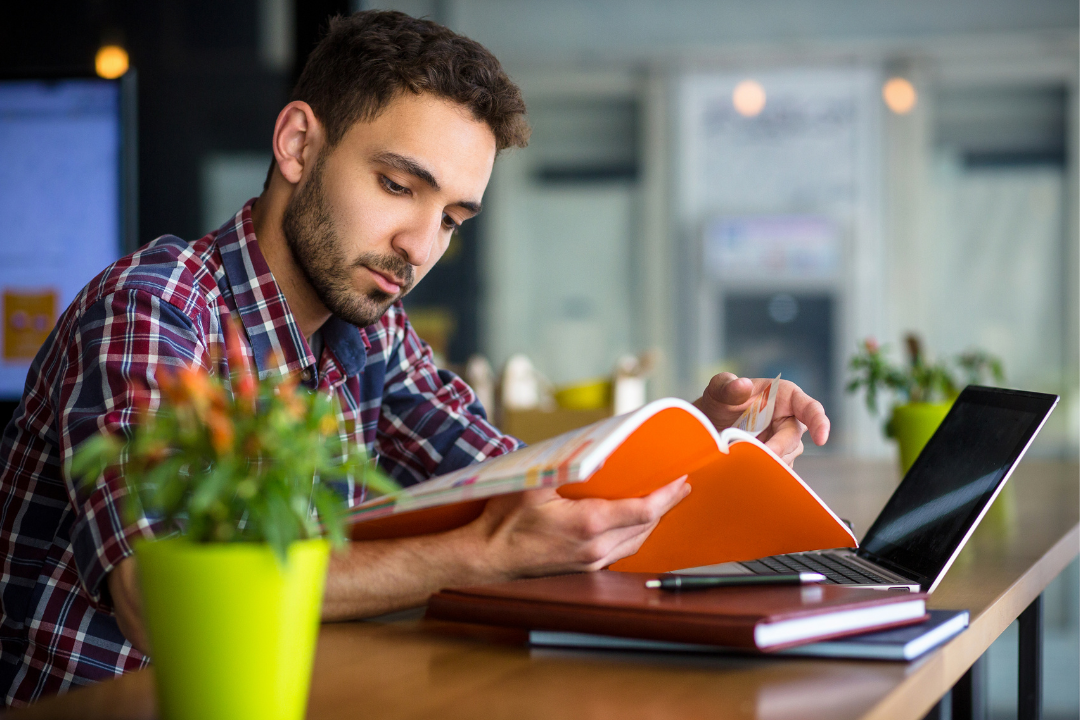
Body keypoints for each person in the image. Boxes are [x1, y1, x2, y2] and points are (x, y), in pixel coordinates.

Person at [0, 10, 829, 706]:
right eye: (399, 186)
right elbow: (164, 604)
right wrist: (479, 555)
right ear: (297, 144)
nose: (418, 246)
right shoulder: (153, 308)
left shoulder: (369, 332)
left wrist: (699, 443)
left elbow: (536, 489)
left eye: (453, 219)